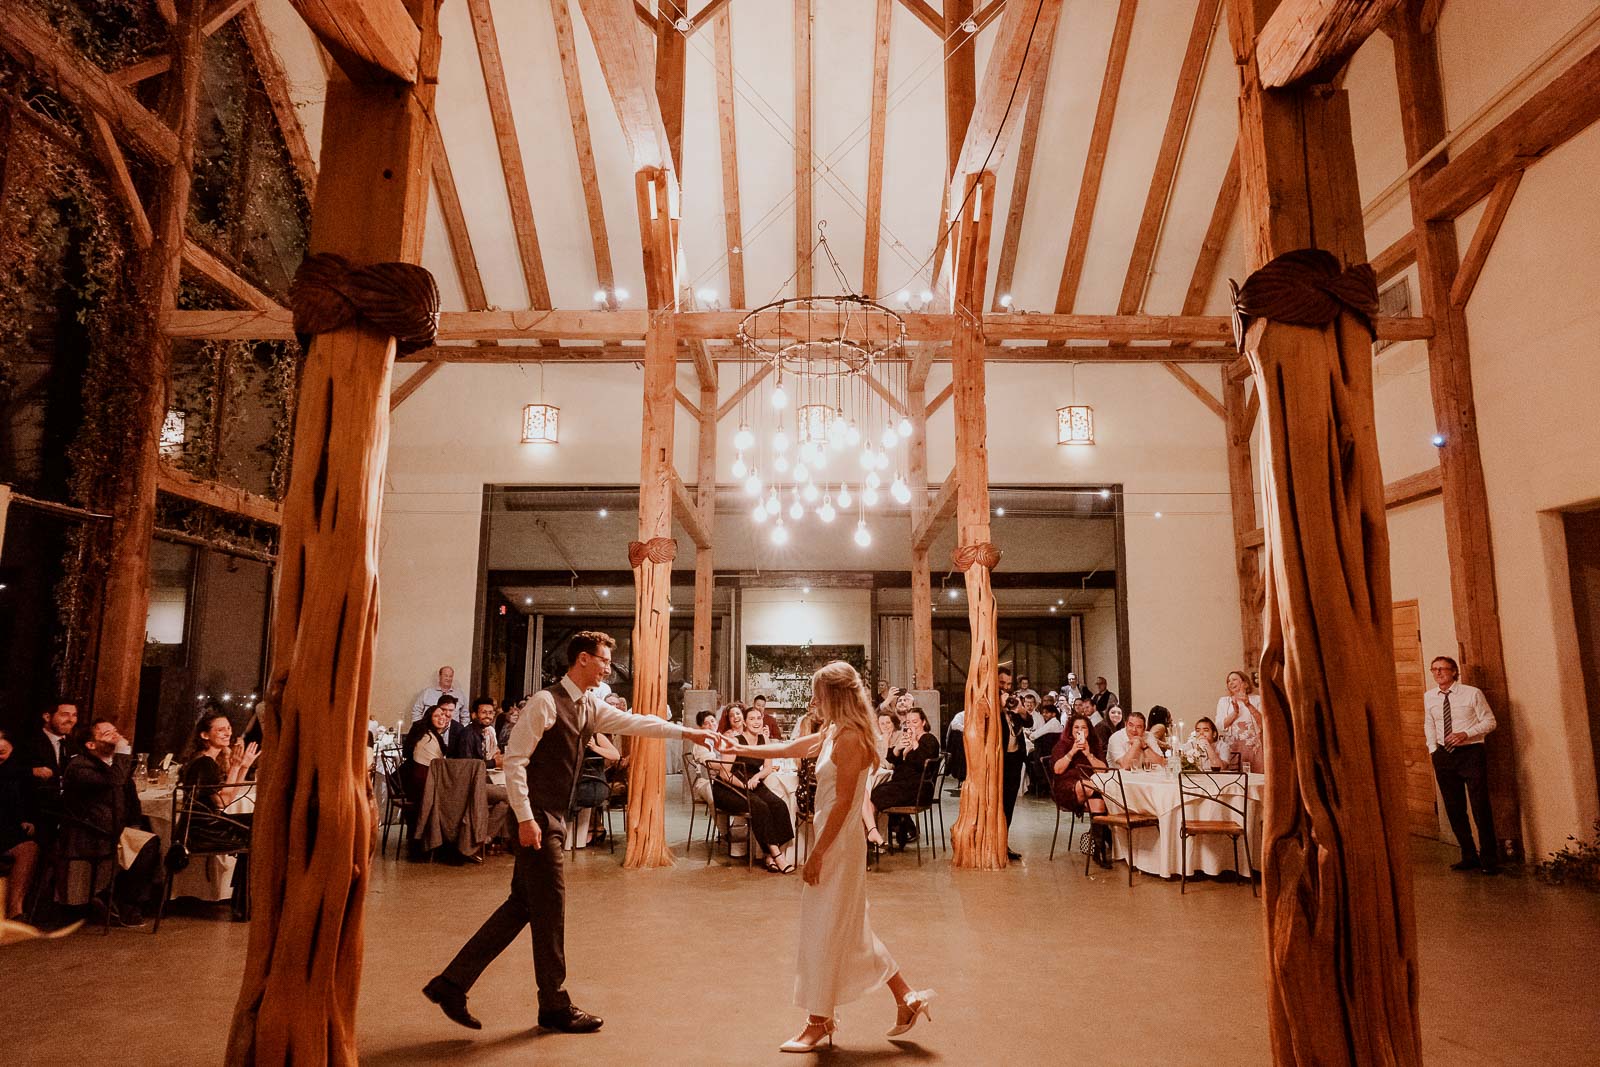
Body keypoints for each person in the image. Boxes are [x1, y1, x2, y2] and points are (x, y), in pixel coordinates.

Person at [424, 631, 723, 1034]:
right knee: (551, 911)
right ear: (582, 659)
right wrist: (527, 819)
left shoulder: (588, 706)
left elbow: (637, 722)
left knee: (522, 907)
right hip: (538, 822)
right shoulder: (546, 702)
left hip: (549, 820)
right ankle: (554, 1004)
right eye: (603, 660)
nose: (607, 668)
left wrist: (687, 733)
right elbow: (515, 762)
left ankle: (451, 983)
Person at [721, 661, 934, 1052]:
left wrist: (817, 853)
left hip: (838, 843)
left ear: (835, 696)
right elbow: (793, 747)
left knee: (823, 928)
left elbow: (843, 803)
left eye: (819, 693)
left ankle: (818, 1021)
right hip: (832, 839)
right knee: (849, 928)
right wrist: (741, 747)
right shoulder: (835, 729)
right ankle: (907, 998)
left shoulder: (853, 737)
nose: (813, 700)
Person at [62, 720, 161, 926]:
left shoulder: (116, 766)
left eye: (116, 732)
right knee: (147, 846)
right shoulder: (80, 766)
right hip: (91, 831)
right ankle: (122, 902)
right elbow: (113, 781)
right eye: (108, 734)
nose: (116, 737)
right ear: (91, 745)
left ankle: (118, 897)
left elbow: (131, 797)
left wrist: (135, 824)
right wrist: (123, 753)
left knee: (151, 842)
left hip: (117, 829)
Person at [179, 713, 259, 920]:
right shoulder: (204, 763)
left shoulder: (206, 761)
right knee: (258, 829)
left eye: (229, 728)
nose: (227, 732)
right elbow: (224, 801)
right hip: (202, 830)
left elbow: (228, 795)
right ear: (205, 735)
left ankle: (244, 902)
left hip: (204, 824)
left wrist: (243, 766)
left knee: (257, 823)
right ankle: (245, 904)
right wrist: (236, 766)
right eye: (220, 729)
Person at [1425, 656, 1499, 874]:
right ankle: (1468, 855)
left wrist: (1466, 733)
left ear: (1454, 672)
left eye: (1443, 669)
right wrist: (1432, 749)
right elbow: (1429, 723)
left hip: (1470, 753)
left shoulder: (1472, 693)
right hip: (1444, 755)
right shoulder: (1429, 697)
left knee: (1479, 805)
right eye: (1434, 669)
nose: (1438, 673)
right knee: (1454, 807)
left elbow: (1490, 721)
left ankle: (1489, 859)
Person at [718, 703, 795, 872]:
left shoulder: (764, 740)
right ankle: (776, 855)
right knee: (760, 807)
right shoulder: (735, 741)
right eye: (751, 718)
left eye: (759, 718)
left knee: (779, 806)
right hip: (729, 786)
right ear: (744, 722)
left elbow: (768, 767)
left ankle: (768, 856)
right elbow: (724, 773)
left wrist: (756, 777)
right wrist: (744, 784)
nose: (756, 722)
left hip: (752, 780)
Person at [866, 708, 939, 849]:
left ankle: (873, 836)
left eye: (915, 721)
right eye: (908, 722)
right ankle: (879, 832)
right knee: (873, 792)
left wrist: (914, 743)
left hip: (918, 789)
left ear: (923, 722)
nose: (911, 725)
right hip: (904, 785)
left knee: (875, 794)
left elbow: (922, 764)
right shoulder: (909, 741)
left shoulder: (929, 739)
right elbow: (893, 760)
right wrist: (898, 748)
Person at [1050, 714, 1110, 867]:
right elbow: (1057, 770)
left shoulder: (1094, 744)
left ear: (1089, 730)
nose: (1080, 731)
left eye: (1083, 727)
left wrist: (1088, 754)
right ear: (1071, 730)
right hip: (1067, 787)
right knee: (1093, 789)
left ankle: (1098, 849)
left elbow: (1103, 770)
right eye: (1076, 727)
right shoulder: (1062, 744)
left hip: (1090, 785)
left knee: (1098, 802)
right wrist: (1072, 752)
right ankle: (1105, 836)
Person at [19, 700, 82, 835]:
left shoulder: (73, 745)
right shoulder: (28, 743)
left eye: (74, 715)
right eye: (65, 714)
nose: (70, 720)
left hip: (65, 816)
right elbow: (10, 775)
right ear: (47, 717)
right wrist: (32, 771)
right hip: (35, 815)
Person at [0, 729, 41, 920]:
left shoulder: (11, 770)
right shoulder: (13, 771)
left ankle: (15, 909)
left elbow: (13, 800)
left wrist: (24, 818)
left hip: (5, 827)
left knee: (29, 848)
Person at [1215, 670, 1264, 771]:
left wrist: (1248, 705)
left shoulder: (1257, 699)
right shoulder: (1224, 701)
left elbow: (1263, 724)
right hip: (1233, 747)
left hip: (1254, 748)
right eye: (1229, 681)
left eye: (1234, 680)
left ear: (1245, 683)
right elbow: (1220, 726)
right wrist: (1235, 712)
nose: (1231, 683)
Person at [452, 697, 504, 768]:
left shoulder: (488, 731)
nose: (488, 716)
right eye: (484, 712)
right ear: (474, 715)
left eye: (490, 713)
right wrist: (494, 763)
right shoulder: (467, 734)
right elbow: (467, 765)